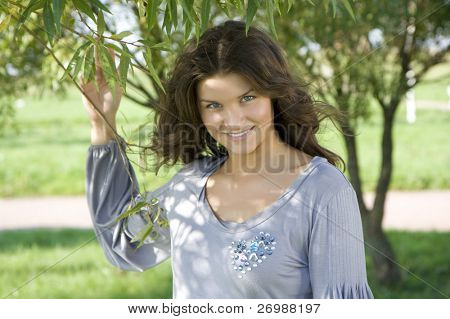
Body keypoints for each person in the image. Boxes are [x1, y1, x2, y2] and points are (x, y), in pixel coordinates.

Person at [81, 20, 374, 299]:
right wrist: (102, 122)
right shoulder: (189, 185)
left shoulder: (323, 191)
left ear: (274, 94)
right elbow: (122, 240)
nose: (233, 120)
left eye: (248, 98)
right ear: (198, 111)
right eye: (214, 105)